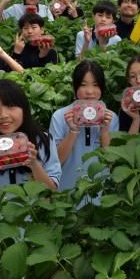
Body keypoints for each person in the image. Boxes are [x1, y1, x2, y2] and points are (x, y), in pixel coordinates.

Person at [0, 79, 61, 199]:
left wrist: (34, 164)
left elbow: (51, 191)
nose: (3, 115)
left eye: (10, 106)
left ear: (24, 108)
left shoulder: (43, 141)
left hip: (34, 211)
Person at [49, 60, 118, 192]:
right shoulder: (60, 116)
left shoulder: (111, 118)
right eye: (83, 85)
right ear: (74, 87)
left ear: (102, 87)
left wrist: (104, 131)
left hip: (100, 193)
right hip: (67, 192)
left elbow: (113, 163)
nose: (90, 91)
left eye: (95, 85)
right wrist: (73, 131)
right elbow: (54, 163)